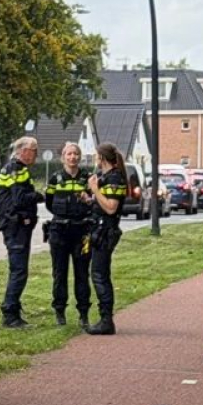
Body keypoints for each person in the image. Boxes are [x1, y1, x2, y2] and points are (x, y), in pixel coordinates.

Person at [42, 142, 95, 328]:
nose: (73, 157)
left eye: (76, 154)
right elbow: (49, 203)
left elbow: (95, 202)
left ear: (80, 157)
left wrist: (87, 201)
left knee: (82, 273)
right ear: (63, 157)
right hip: (59, 231)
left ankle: (83, 314)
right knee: (59, 273)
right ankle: (60, 312)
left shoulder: (88, 178)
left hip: (82, 232)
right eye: (69, 154)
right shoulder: (55, 178)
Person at [0, 136, 42, 328]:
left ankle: (13, 308)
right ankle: (10, 312)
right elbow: (20, 198)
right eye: (34, 150)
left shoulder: (15, 168)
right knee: (19, 270)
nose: (36, 154)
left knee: (19, 269)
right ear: (23, 151)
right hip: (15, 225)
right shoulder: (16, 169)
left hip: (16, 225)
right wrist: (40, 195)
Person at [84, 144, 130, 336]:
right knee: (99, 273)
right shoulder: (107, 177)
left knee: (99, 275)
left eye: (96, 156)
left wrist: (95, 190)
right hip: (99, 230)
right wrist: (90, 199)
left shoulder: (114, 178)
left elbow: (111, 207)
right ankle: (104, 318)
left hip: (106, 232)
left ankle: (106, 320)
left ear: (102, 158)